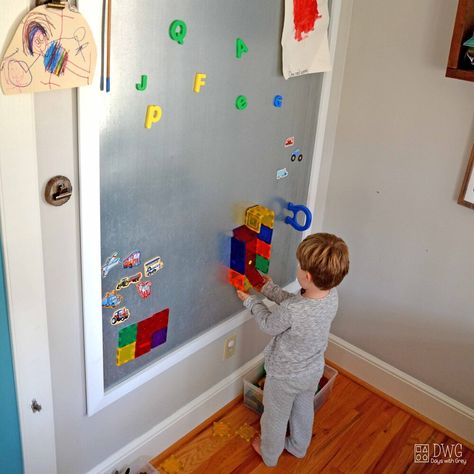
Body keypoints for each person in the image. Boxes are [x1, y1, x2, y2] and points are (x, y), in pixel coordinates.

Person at [236, 233, 349, 467]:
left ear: (306, 276)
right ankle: (298, 447)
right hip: (312, 369)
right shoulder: (331, 296)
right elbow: (295, 303)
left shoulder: (293, 311)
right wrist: (269, 288)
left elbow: (269, 324)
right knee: (303, 408)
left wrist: (252, 302)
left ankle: (269, 454)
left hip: (285, 376)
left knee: (275, 417)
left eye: (299, 266)